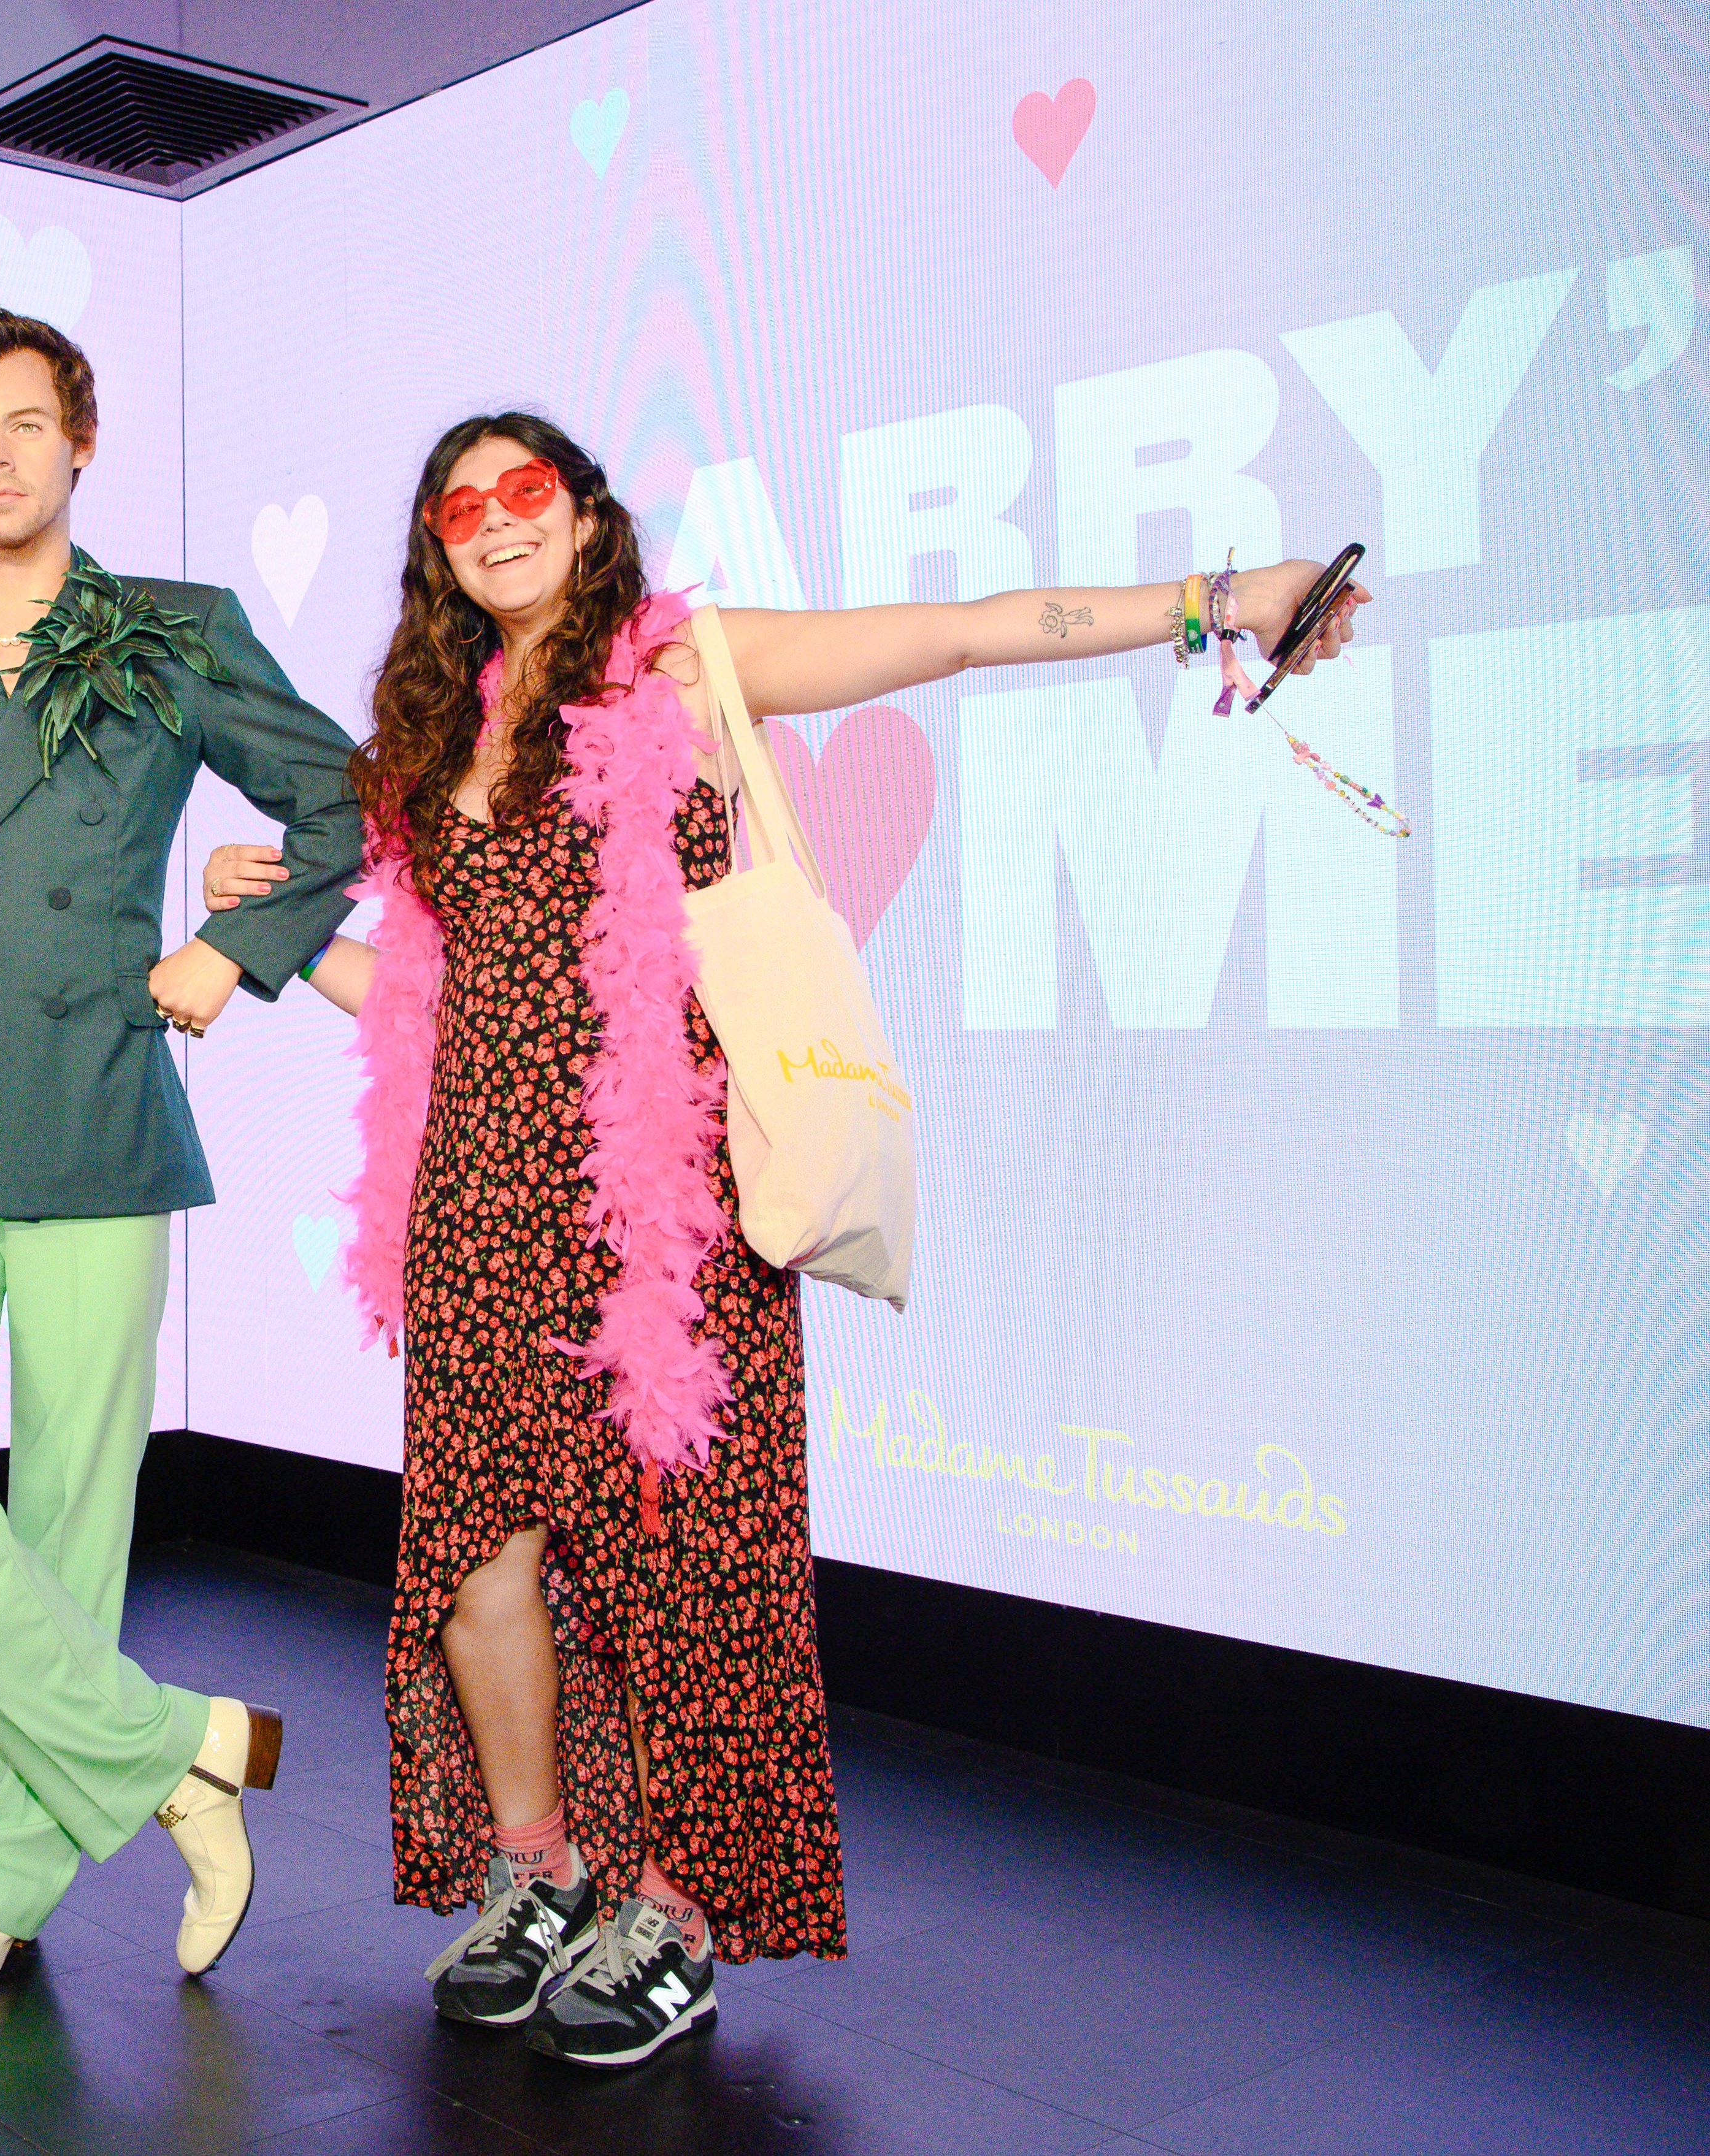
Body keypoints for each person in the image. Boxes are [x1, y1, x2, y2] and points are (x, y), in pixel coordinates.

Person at [208, 411, 1368, 2068]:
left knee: (689, 1570)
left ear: (586, 512)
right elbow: (431, 1003)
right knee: (478, 1566)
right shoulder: (430, 739)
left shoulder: (684, 670)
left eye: (523, 488)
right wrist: (278, 927)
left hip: (658, 1217)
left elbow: (957, 635)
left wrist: (1222, 595)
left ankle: (671, 1903)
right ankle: (538, 1866)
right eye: (459, 507)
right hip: (473, 1213)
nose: (495, 521)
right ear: (434, 552)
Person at [0, 307, 367, 2011]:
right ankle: (180, 1754)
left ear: (80, 440)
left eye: (28, 422)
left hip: (98, 1111)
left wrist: (235, 954)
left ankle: (1, 1881)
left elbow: (342, 800)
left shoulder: (169, 629)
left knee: (64, 1525)